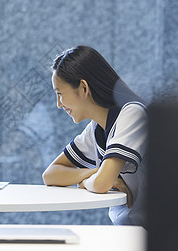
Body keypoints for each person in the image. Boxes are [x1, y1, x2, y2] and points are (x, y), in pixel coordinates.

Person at [42, 45, 147, 227]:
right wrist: (94, 173)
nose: (59, 104)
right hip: (130, 231)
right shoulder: (96, 129)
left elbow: (100, 184)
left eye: (60, 94)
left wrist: (90, 180)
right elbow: (50, 175)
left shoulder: (132, 114)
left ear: (83, 88)